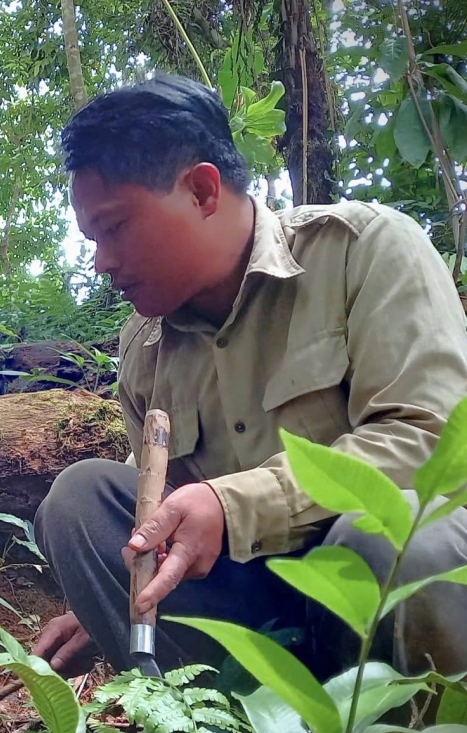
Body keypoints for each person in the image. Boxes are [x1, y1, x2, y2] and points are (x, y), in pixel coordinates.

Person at [31, 74, 467, 684]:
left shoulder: (363, 251)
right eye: (91, 239)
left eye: (116, 228)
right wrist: (105, 591)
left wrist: (235, 506)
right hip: (253, 611)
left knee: (395, 539)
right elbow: (161, 511)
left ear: (203, 190)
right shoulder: (144, 346)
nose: (103, 261)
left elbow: (432, 445)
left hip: (377, 589)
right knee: (80, 500)